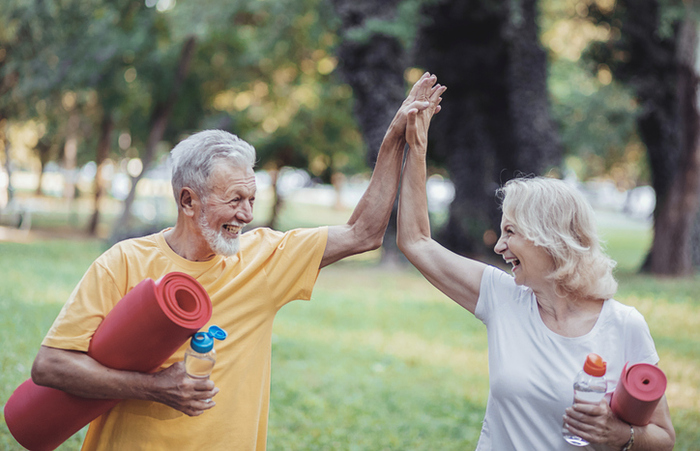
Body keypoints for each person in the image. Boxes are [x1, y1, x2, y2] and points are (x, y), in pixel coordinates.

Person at [29, 73, 446, 451]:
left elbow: (364, 233)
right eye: (234, 200)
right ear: (188, 201)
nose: (247, 216)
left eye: (251, 199)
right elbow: (51, 365)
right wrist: (153, 387)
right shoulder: (122, 262)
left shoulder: (265, 256)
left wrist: (394, 139)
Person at [396, 105, 676, 449]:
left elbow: (664, 439)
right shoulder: (502, 297)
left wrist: (622, 435)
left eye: (510, 231)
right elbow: (415, 242)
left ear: (550, 239)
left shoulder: (624, 326)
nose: (499, 246)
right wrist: (417, 148)